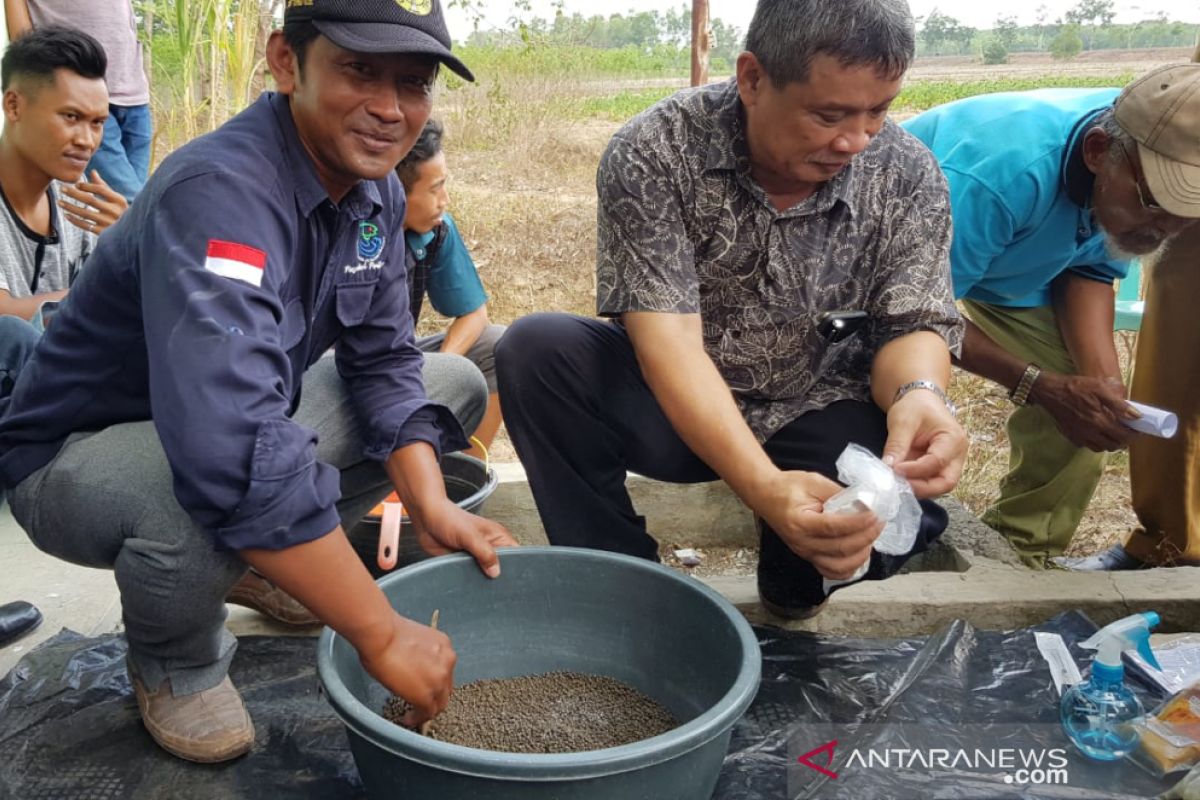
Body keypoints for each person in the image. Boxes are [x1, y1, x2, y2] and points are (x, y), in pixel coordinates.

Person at [0, 0, 515, 764]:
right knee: (202, 487)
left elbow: (381, 362)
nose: (389, 108)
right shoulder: (220, 193)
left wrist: (431, 502)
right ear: (285, 62)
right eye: (359, 70)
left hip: (222, 414)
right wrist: (375, 627)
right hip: (73, 456)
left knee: (450, 384)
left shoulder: (371, 196)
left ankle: (257, 561)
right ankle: (176, 660)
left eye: (414, 82)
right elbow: (227, 445)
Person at [496, 0, 967, 620]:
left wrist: (920, 392)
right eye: (828, 115)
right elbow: (670, 346)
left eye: (877, 111)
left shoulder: (905, 172)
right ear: (752, 79)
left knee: (849, 547)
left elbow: (911, 322)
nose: (854, 140)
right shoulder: (656, 151)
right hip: (677, 410)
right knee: (538, 350)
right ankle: (620, 586)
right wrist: (765, 488)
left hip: (819, 400)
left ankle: (797, 582)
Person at [903, 65, 1200, 568]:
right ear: (1097, 152)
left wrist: (1100, 384)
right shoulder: (993, 178)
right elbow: (916, 314)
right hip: (907, 270)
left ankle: (1016, 553)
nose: (1166, 228)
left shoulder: (1154, 153)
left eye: (1187, 212)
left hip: (1023, 260)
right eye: (1155, 204)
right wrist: (1038, 385)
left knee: (1092, 408)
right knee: (897, 397)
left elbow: (1086, 271)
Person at [0, 27, 127, 396]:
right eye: (71, 117)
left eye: (97, 123)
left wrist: (126, 243)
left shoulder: (76, 194)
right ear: (14, 106)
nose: (87, 141)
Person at [394, 119, 504, 459]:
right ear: (394, 191)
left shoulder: (437, 230)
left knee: (497, 347)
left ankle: (462, 472)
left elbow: (474, 314)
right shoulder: (351, 230)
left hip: (400, 360)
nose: (445, 200)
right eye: (434, 189)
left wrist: (441, 370)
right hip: (339, 366)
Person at [6, 0, 153, 201]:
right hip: (76, 95)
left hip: (134, 91)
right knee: (131, 205)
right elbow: (21, 36)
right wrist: (31, 68)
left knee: (135, 201)